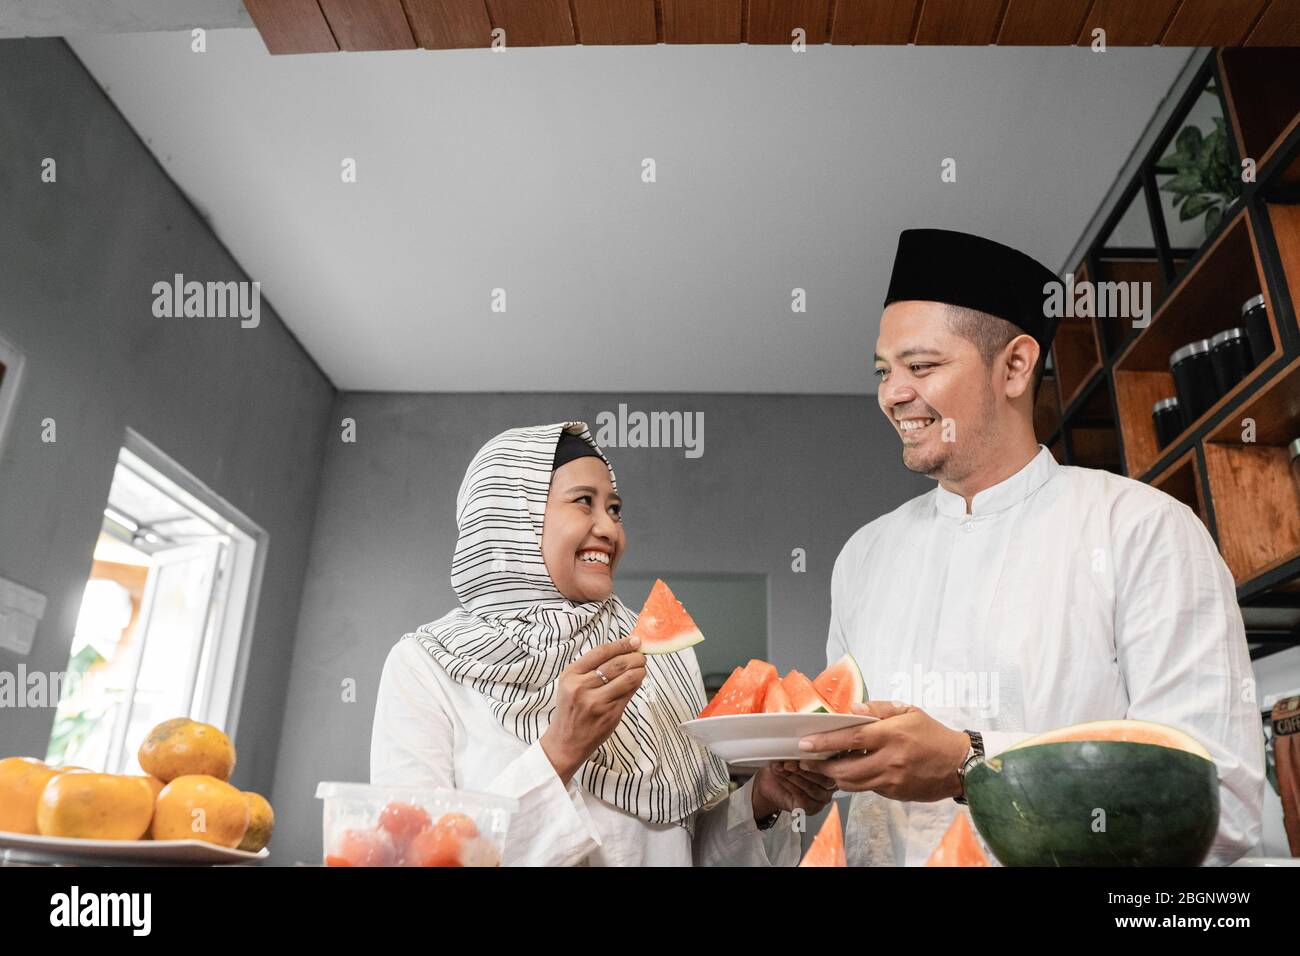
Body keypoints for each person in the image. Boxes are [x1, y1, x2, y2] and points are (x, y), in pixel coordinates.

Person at [797, 228, 1265, 865]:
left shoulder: (1144, 529)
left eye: (922, 366)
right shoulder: (862, 557)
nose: (892, 393)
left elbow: (1218, 800)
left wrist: (974, 765)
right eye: (883, 371)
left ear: (1015, 366)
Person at [371, 421, 833, 865]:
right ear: (513, 515)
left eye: (614, 509)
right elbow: (414, 857)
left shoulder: (665, 658)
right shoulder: (425, 667)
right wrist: (560, 751)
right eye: (583, 503)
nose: (610, 530)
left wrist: (762, 801)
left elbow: (686, 846)